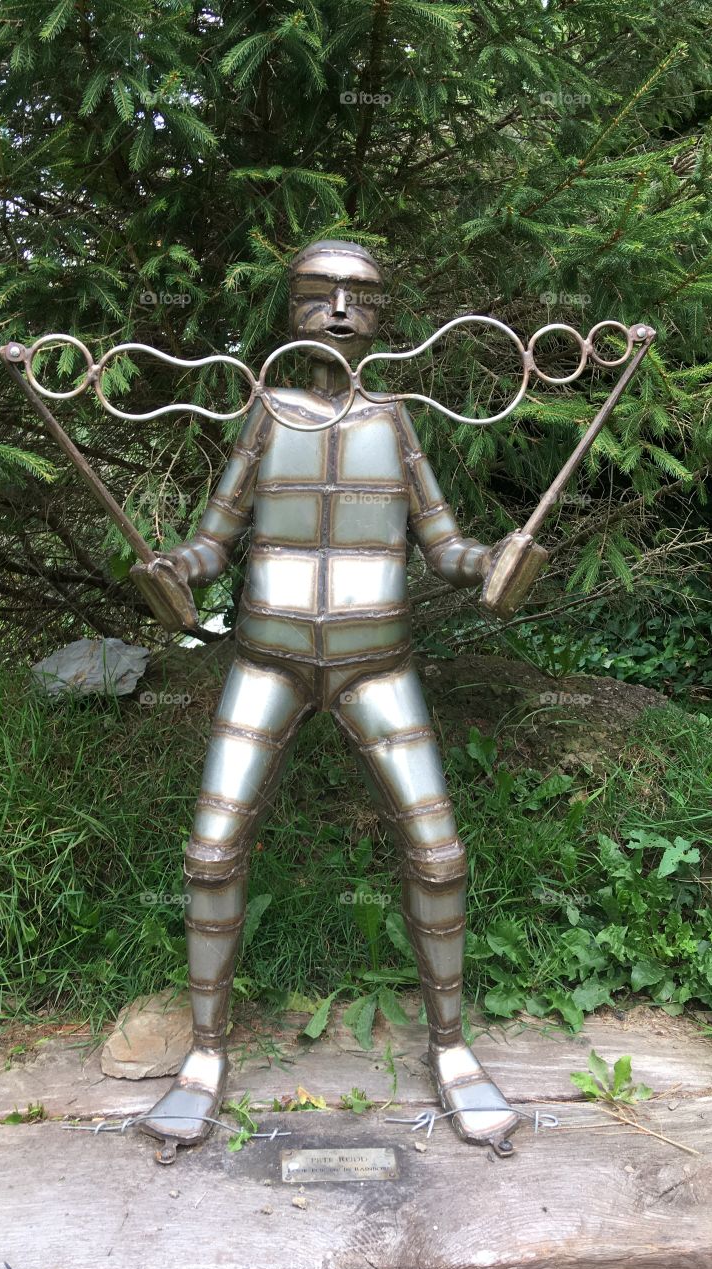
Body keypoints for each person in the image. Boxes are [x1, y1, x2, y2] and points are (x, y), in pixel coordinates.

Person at [132, 240, 523, 1157]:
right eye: (321, 291)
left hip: (378, 664)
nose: (341, 310)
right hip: (265, 661)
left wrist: (491, 561)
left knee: (439, 852)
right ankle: (204, 1056)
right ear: (293, 307)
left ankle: (452, 1047)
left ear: (382, 315)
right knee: (211, 850)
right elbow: (215, 540)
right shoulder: (265, 415)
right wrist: (175, 565)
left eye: (360, 296)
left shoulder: (397, 421)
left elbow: (444, 547)